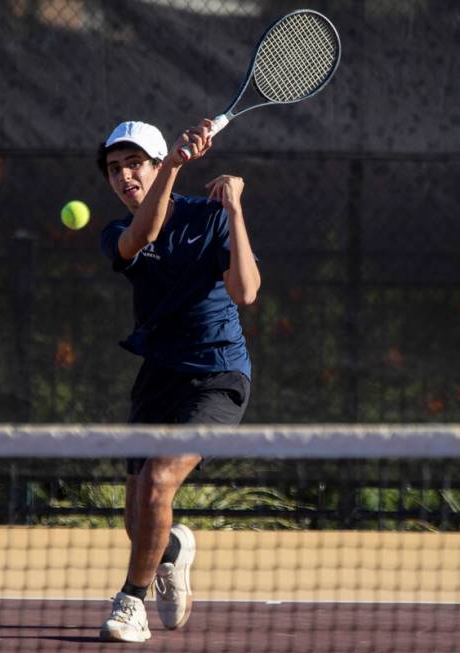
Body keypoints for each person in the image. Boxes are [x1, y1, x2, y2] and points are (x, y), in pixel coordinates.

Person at [96, 119, 261, 643]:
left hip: (217, 376)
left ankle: (130, 603)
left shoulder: (209, 218)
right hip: (158, 379)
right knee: (137, 516)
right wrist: (172, 166)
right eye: (115, 169)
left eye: (135, 163)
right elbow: (142, 236)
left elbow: (246, 292)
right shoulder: (116, 234)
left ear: (156, 161)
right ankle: (171, 551)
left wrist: (234, 210)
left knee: (158, 482)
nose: (125, 176)